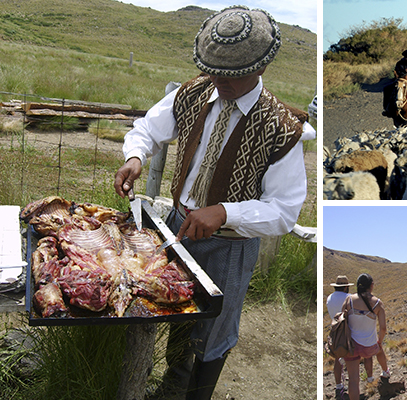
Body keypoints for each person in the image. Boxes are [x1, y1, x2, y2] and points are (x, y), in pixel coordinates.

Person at [113, 6, 316, 400]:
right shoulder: (193, 92)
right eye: (214, 70)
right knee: (176, 308)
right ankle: (174, 381)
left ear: (259, 67)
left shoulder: (281, 128)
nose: (219, 80)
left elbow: (284, 211)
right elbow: (148, 129)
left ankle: (198, 396)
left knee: (217, 328)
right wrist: (135, 156)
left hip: (230, 245)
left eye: (231, 73)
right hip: (176, 224)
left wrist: (225, 212)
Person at [341, 274, 388, 400]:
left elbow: (341, 321)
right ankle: (385, 372)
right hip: (370, 346)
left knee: (353, 380)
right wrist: (379, 342)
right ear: (371, 285)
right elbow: (383, 328)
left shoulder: (349, 300)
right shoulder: (378, 303)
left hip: (351, 346)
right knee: (379, 350)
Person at [327, 276, 353, 400]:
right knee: (353, 359)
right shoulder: (349, 298)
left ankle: (338, 386)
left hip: (335, 333)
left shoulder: (330, 298)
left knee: (338, 358)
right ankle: (354, 385)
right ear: (346, 287)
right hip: (348, 332)